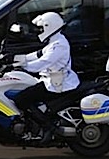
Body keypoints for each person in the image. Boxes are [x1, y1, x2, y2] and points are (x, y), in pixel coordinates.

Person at [10, 11, 80, 142]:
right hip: (51, 79)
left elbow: (42, 63)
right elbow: (38, 54)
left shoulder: (59, 45)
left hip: (57, 84)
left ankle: (49, 128)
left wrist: (21, 66)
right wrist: (15, 57)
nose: (39, 31)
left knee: (21, 99)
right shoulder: (55, 41)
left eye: (41, 28)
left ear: (49, 26)